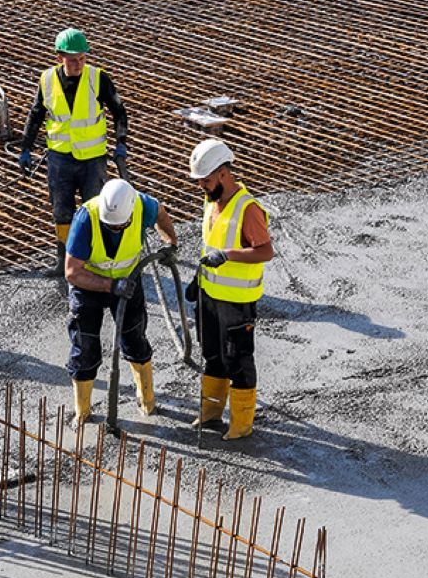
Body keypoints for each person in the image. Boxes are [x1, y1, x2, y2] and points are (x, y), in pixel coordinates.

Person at [65, 176, 179, 422]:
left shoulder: (142, 205)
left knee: (135, 339)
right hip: (90, 284)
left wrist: (171, 243)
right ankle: (82, 411)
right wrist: (109, 285)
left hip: (128, 281)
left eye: (119, 226)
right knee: (85, 348)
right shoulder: (86, 218)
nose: (114, 229)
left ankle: (147, 401)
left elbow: (161, 214)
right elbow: (72, 272)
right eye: (111, 226)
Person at [18, 27, 130, 276]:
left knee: (97, 209)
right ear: (59, 57)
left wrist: (121, 142)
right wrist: (25, 148)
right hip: (60, 160)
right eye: (72, 59)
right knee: (62, 211)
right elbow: (36, 114)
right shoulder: (47, 80)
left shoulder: (98, 78)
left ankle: (100, 261)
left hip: (93, 160)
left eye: (82, 58)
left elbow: (119, 112)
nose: (78, 63)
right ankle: (65, 261)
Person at [189, 139, 274, 440]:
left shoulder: (247, 208)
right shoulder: (211, 199)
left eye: (207, 179)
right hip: (210, 295)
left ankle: (240, 424)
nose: (203, 185)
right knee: (212, 356)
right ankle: (210, 415)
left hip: (237, 302)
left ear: (224, 173)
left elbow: (265, 251)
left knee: (238, 361)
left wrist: (228, 255)